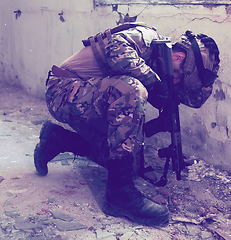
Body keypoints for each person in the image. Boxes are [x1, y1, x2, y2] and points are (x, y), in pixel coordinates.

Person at [34, 22, 220, 225]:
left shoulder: (167, 68)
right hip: (63, 91)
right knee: (132, 90)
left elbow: (194, 100)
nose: (176, 82)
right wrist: (154, 83)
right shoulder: (148, 38)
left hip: (87, 101)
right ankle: (118, 195)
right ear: (178, 57)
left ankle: (58, 139)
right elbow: (116, 48)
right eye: (179, 77)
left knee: (125, 163)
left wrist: (203, 81)